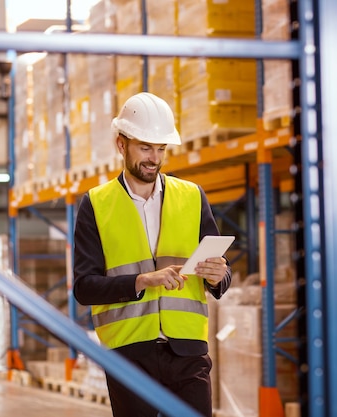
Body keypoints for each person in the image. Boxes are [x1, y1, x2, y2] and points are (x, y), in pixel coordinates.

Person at [73, 92, 232, 417]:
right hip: (129, 352)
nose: (154, 158)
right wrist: (142, 280)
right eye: (145, 147)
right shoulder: (96, 204)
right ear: (122, 144)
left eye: (161, 149)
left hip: (187, 350)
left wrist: (220, 277)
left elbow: (220, 272)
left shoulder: (191, 196)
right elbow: (84, 288)